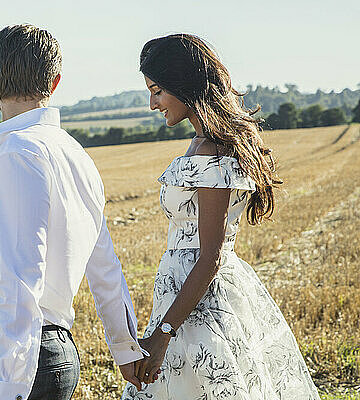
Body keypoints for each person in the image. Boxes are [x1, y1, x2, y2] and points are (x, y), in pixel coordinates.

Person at [121, 34, 321, 399]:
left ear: (184, 85)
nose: (153, 104)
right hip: (181, 294)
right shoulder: (199, 144)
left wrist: (163, 335)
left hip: (201, 302)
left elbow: (209, 256)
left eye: (157, 91)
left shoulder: (211, 151)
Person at [0, 24, 145, 400]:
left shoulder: (18, 155)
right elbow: (105, 265)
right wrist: (125, 349)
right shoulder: (77, 156)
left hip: (15, 359)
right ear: (56, 81)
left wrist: (7, 390)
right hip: (55, 353)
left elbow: (21, 281)